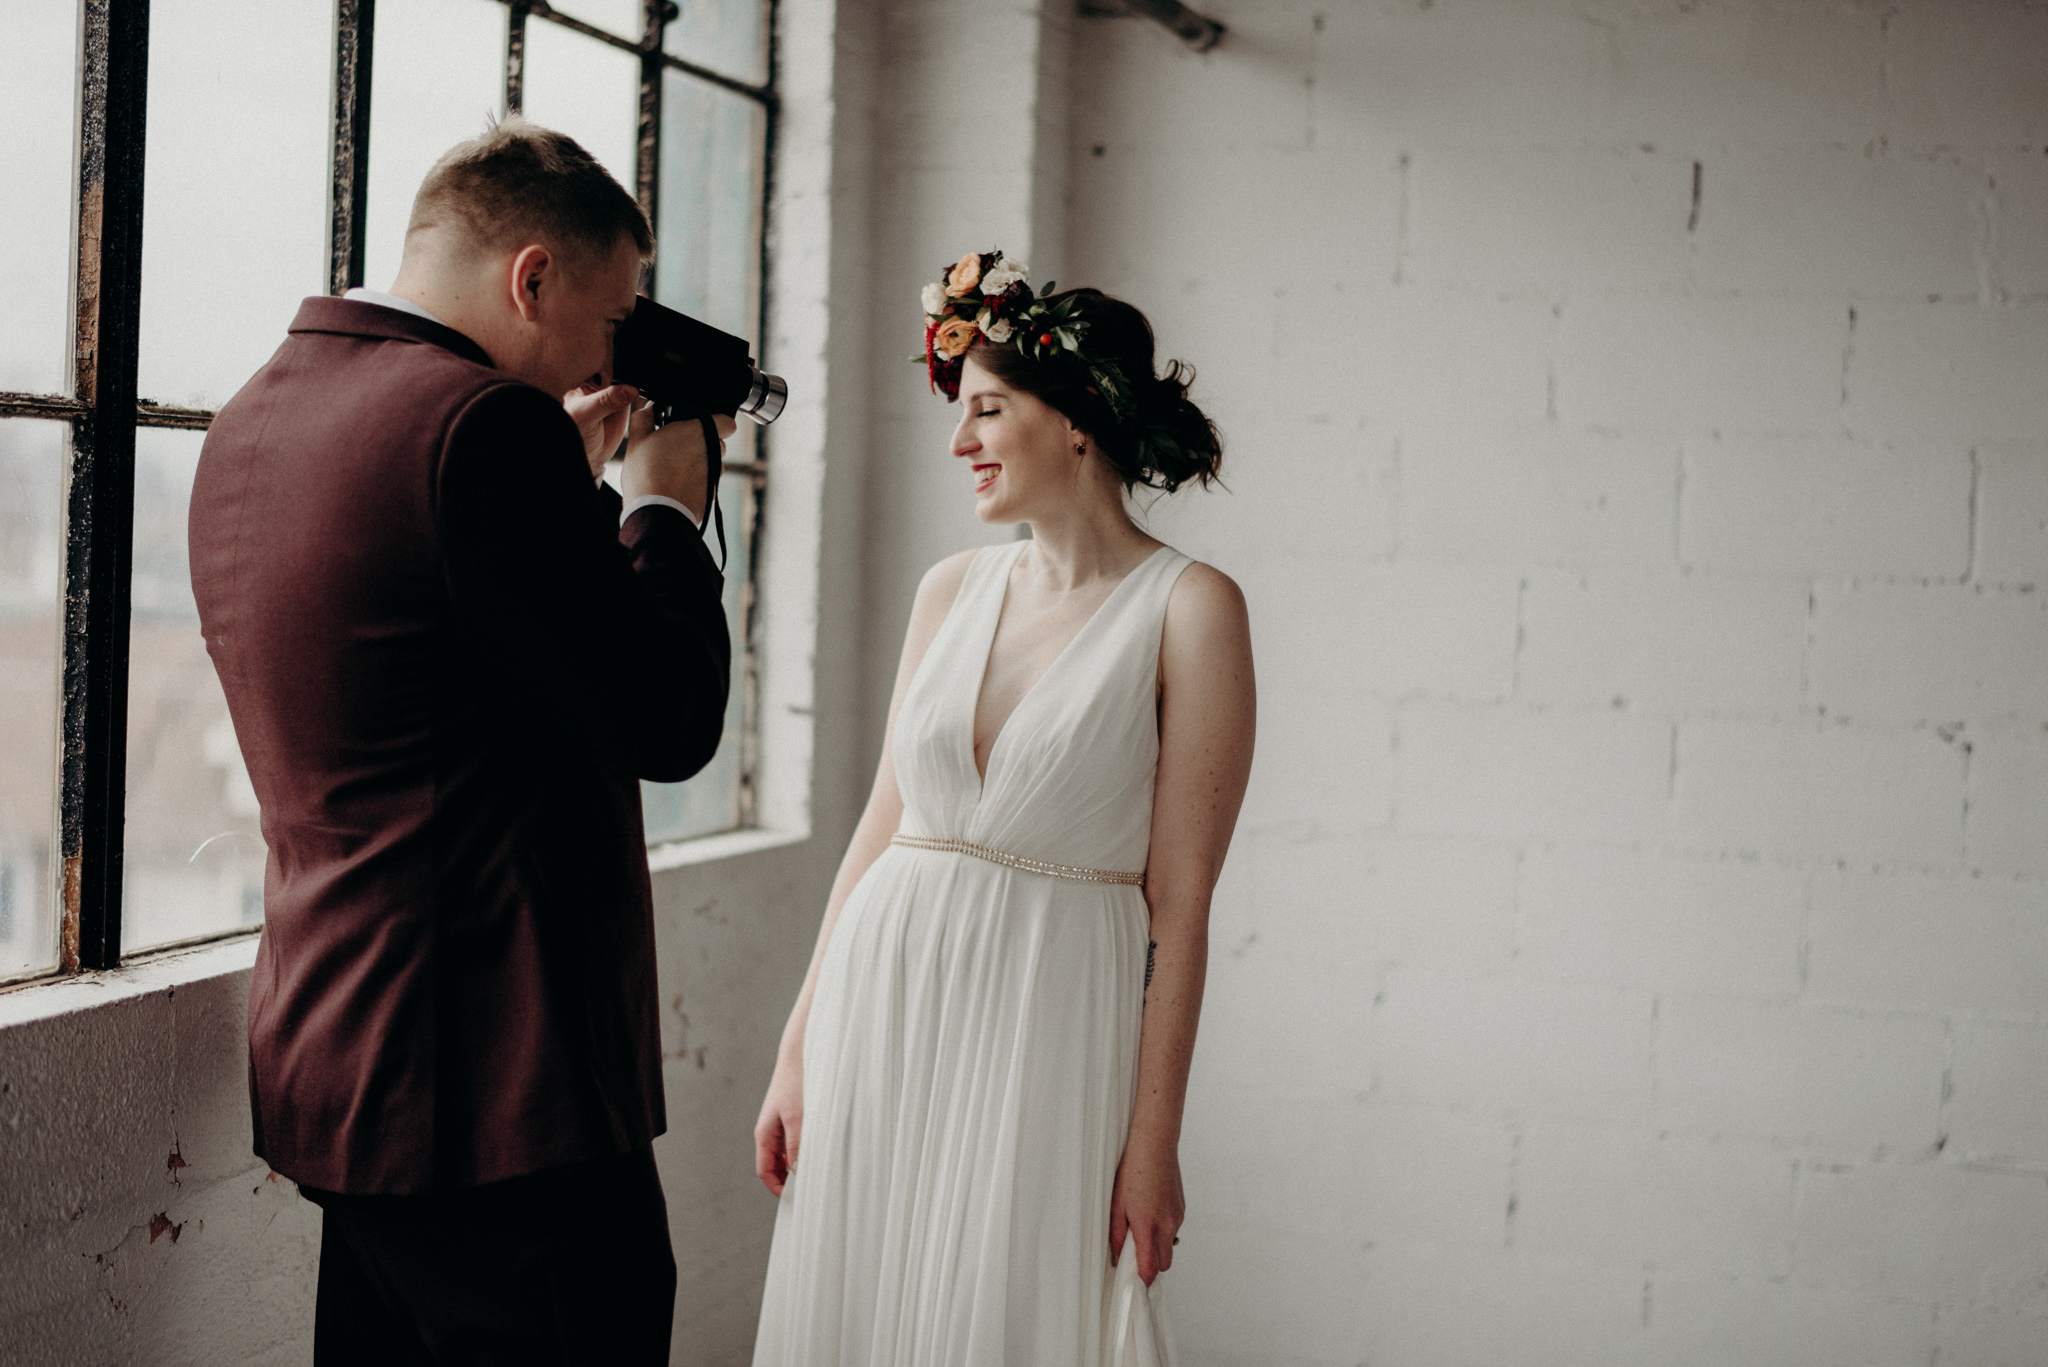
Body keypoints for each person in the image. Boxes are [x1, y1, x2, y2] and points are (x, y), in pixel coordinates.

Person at [188, 119, 734, 1364]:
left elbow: (445, 666)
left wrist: (567, 483)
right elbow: (666, 718)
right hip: (497, 1089)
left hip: (345, 1058)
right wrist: (659, 504)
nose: (610, 357)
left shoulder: (256, 413)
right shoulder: (481, 428)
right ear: (530, 277)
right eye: (608, 321)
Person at [749, 251, 1257, 1366]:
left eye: (987, 409)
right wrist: (798, 1046)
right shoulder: (948, 588)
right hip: (879, 1010)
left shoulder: (1190, 609)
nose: (958, 441)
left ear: (1076, 421)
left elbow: (1179, 901)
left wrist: (1151, 1139)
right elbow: (878, 833)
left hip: (1046, 1019)